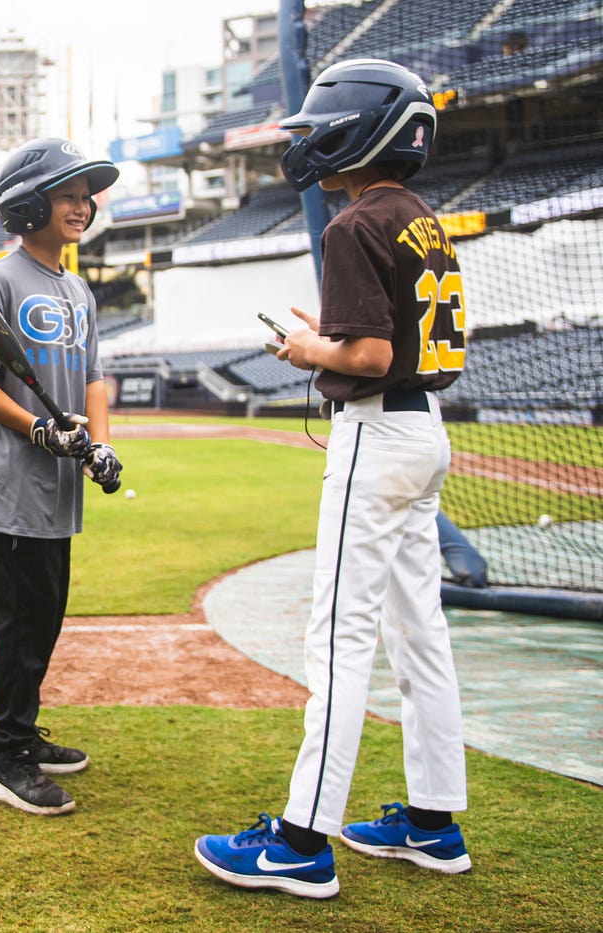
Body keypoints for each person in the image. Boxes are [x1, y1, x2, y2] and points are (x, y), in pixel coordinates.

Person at [195, 59, 471, 898]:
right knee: (420, 632)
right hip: (425, 436)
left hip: (379, 433)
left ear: (361, 129)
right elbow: (392, 339)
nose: (313, 138)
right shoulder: (420, 215)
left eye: (324, 124)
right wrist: (330, 336)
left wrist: (305, 347)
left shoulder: (353, 224)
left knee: (339, 638)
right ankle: (433, 821)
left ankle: (299, 843)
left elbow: (370, 355)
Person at [0, 138, 123, 816]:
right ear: (30, 204)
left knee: (45, 619)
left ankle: (18, 729)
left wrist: (100, 444)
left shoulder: (78, 289)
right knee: (19, 625)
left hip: (59, 489)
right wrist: (39, 430)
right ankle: (5, 754)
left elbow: (93, 378)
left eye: (86, 195)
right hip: (8, 487)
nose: (83, 205)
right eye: (68, 194)